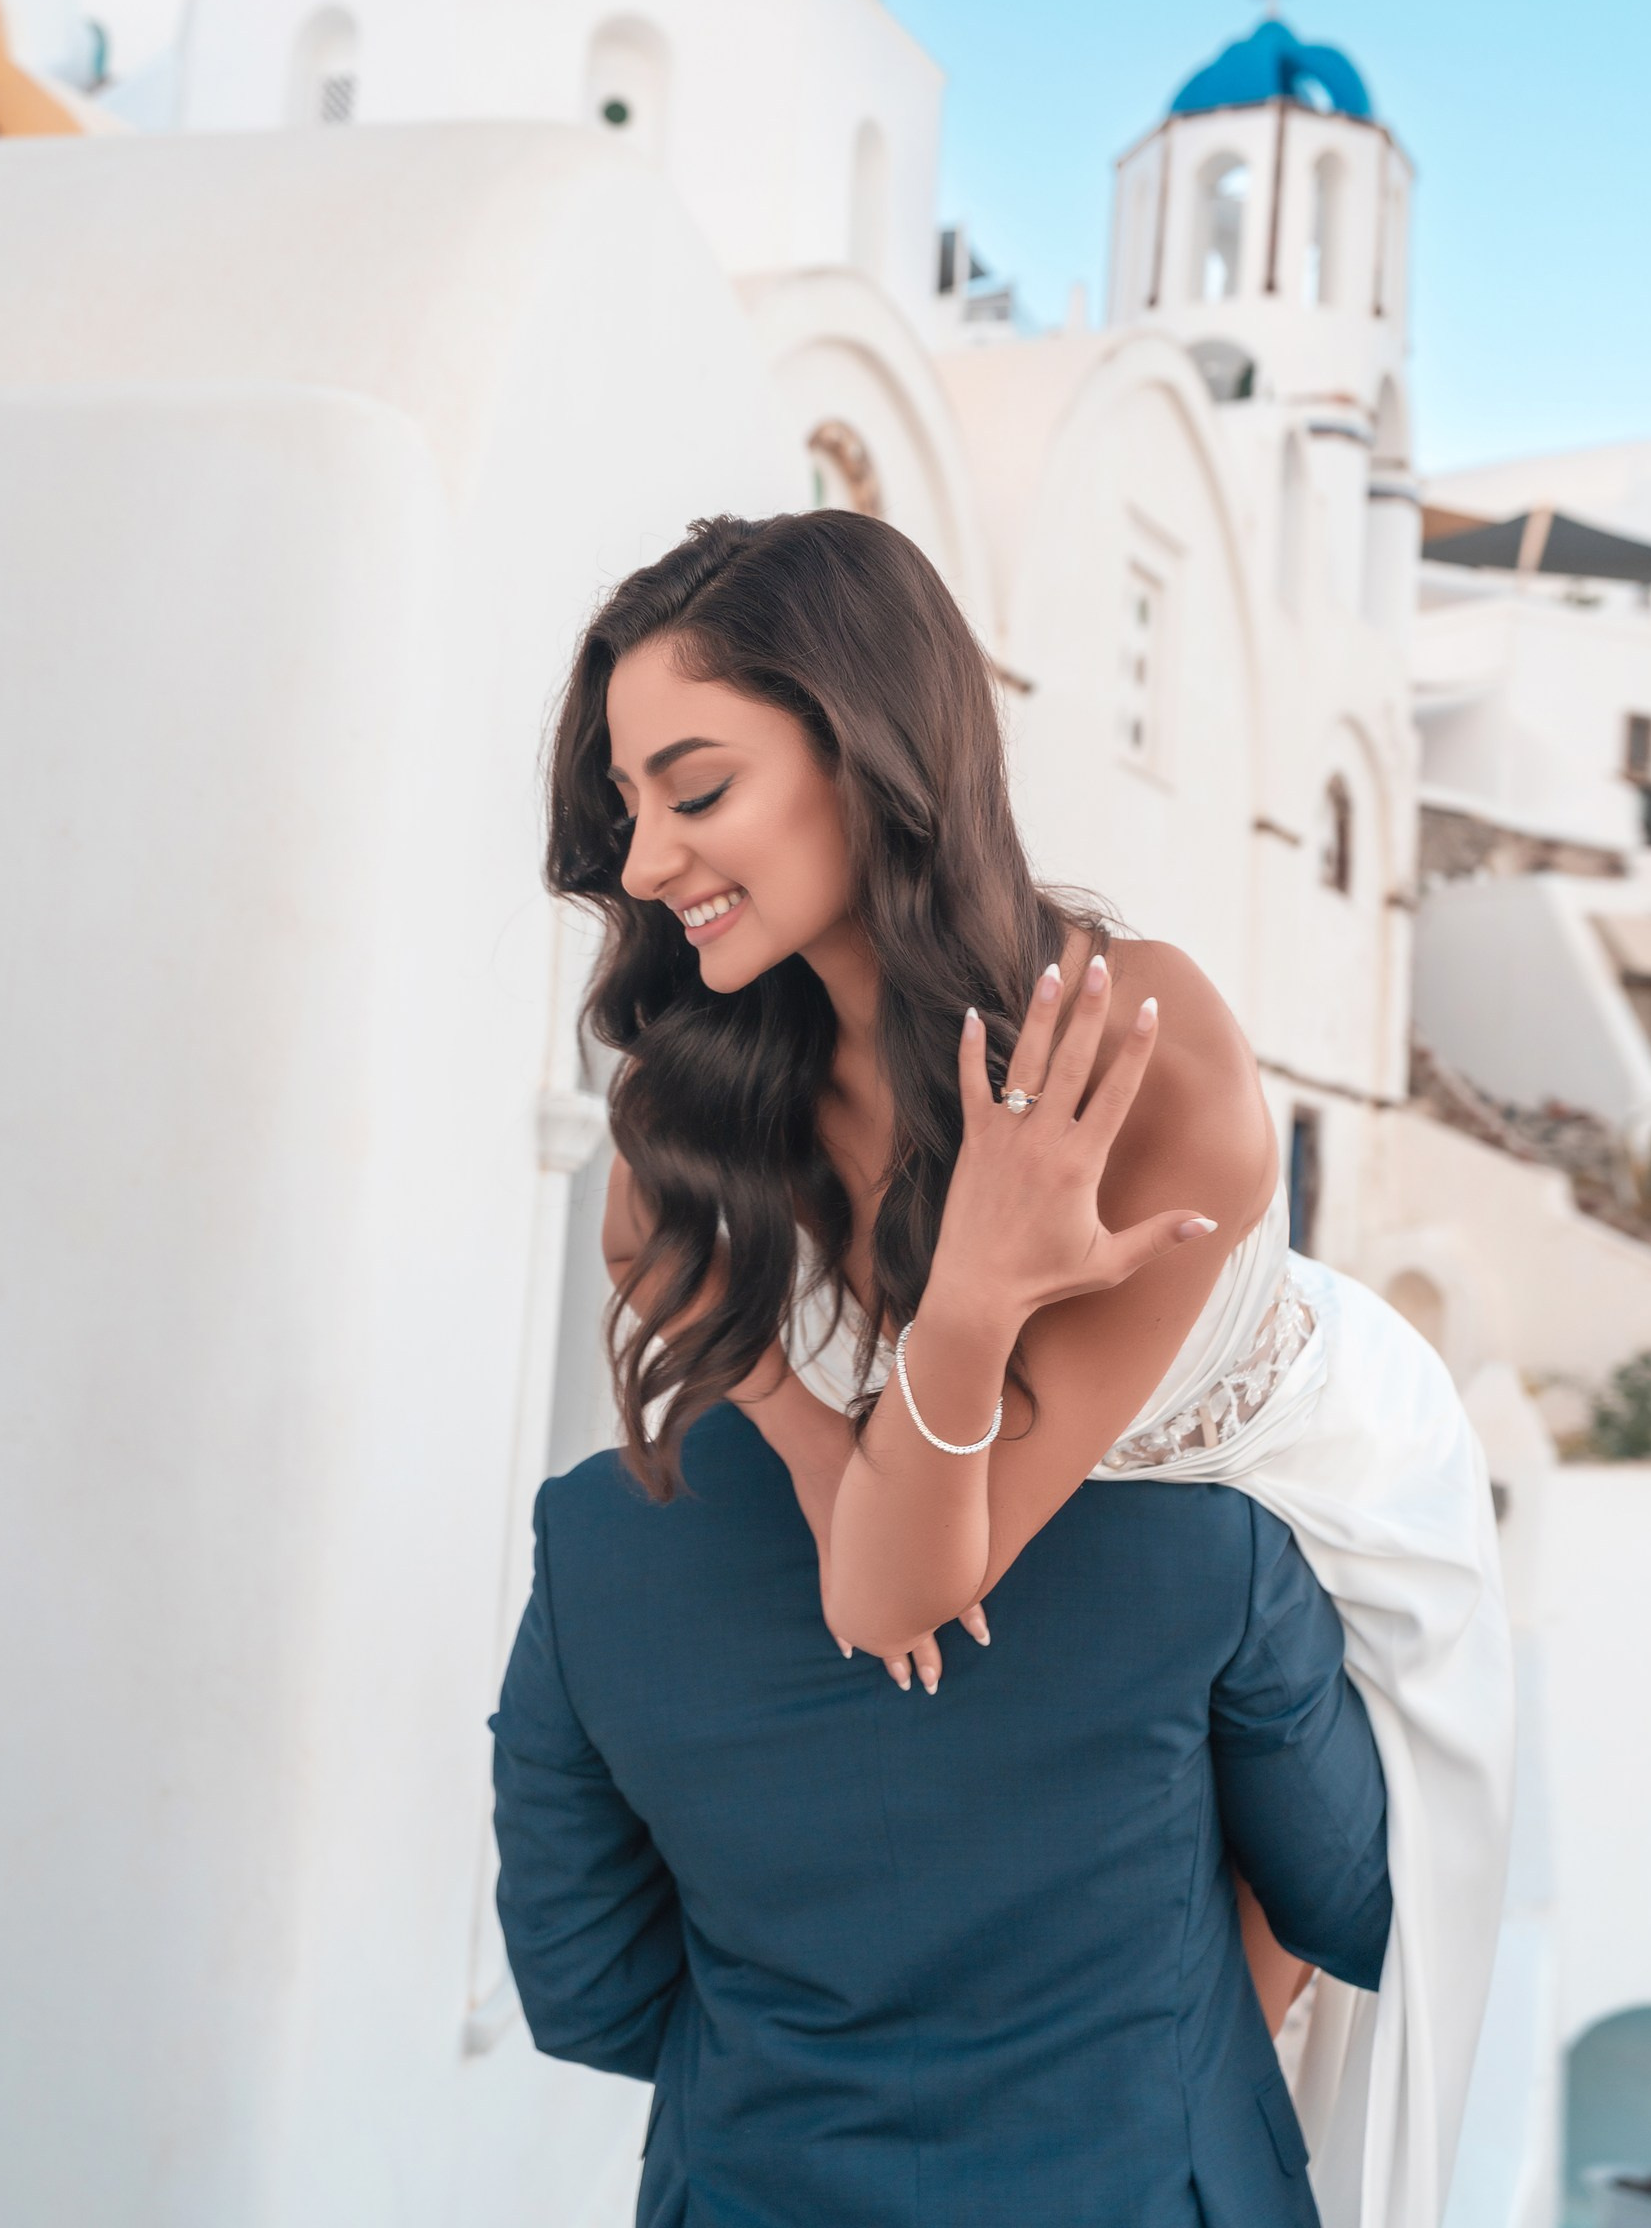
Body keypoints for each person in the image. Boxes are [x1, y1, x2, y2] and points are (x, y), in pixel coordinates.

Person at [530, 509, 1513, 2227]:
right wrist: (972, 1297)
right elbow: (882, 1589)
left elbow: (917, 1560)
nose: (645, 860)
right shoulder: (686, 1152)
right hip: (965, 1489)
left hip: (1292, 1472)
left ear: (865, 752)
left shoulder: (1142, 1037)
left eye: (696, 792)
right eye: (626, 809)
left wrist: (963, 1324)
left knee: (1334, 1988)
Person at [493, 1389, 1391, 2227]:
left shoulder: (597, 1532)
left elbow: (585, 1990)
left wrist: (792, 2054)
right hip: (1149, 2188)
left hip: (751, 2189)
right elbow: (1357, 1907)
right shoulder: (1198, 1524)